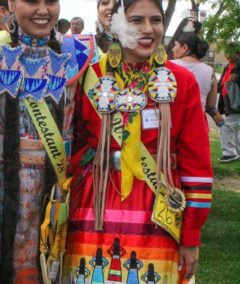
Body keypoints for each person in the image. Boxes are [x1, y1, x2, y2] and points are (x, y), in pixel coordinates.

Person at [63, 0, 213, 283]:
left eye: (156, 20)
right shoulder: (89, 76)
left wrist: (191, 234)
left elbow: (197, 163)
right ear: (116, 21)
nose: (149, 29)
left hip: (157, 208)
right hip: (95, 203)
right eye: (136, 21)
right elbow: (75, 143)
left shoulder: (181, 81)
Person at [0, 0, 95, 282]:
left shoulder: (79, 54)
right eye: (31, 1)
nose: (42, 10)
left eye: (50, 2)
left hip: (55, 187)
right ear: (10, 4)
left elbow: (87, 125)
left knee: (48, 261)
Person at [172, 32, 224, 127]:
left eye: (175, 45)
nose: (173, 49)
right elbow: (210, 106)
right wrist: (219, 121)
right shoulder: (210, 72)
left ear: (184, 48)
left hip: (172, 122)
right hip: (197, 125)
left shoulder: (168, 66)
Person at [218, 43, 240, 162]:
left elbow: (233, 79)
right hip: (227, 100)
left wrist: (235, 77)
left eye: (230, 52)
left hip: (235, 100)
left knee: (226, 125)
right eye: (226, 53)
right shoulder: (228, 66)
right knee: (235, 127)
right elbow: (222, 83)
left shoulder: (238, 64)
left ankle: (229, 153)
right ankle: (236, 152)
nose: (227, 55)